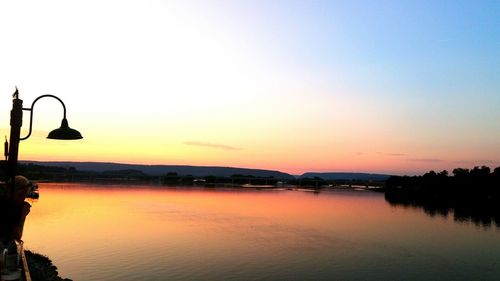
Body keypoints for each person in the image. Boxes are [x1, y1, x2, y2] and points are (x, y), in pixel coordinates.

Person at [0, 176, 32, 242]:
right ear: (21, 192)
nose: (24, 197)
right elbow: (17, 237)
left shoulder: (3, 200)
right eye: (25, 193)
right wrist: (23, 215)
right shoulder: (14, 208)